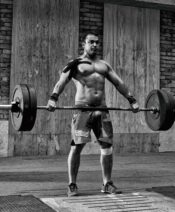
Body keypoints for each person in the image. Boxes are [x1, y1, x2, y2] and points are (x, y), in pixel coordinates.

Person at [47, 33, 139, 197]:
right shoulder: (75, 64)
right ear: (84, 44)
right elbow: (61, 82)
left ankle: (107, 183)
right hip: (83, 110)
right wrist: (53, 98)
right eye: (91, 42)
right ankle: (72, 184)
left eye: (97, 43)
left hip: (102, 111)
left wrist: (131, 100)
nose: (94, 45)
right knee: (76, 147)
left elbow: (119, 83)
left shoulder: (104, 65)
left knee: (107, 147)